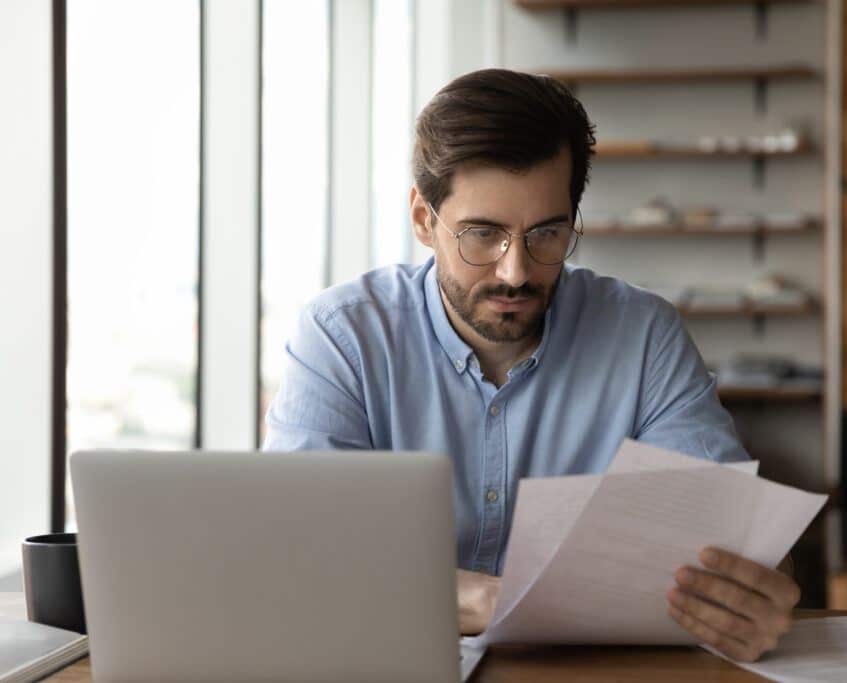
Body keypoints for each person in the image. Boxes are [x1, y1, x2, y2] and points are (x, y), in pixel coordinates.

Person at [263, 68, 799, 662]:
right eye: (482, 234)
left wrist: (750, 595)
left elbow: (729, 540)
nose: (515, 270)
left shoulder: (643, 334)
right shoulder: (343, 336)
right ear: (423, 220)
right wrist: (486, 600)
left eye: (546, 234)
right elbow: (299, 554)